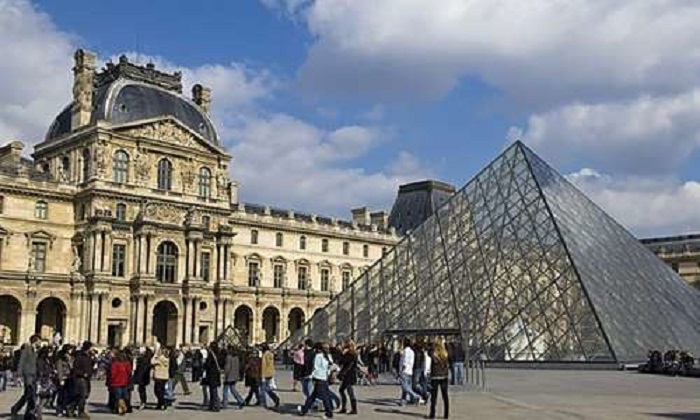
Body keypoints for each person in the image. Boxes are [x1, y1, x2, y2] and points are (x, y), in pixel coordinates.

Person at [297, 342, 334, 419]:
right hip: (324, 378)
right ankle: (304, 410)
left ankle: (329, 412)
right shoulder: (328, 357)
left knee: (324, 396)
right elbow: (330, 367)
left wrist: (311, 376)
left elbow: (316, 368)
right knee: (313, 396)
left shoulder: (318, 356)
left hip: (318, 378)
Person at [11, 334, 41, 418]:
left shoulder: (37, 350)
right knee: (31, 393)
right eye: (39, 341)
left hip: (34, 375)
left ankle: (16, 408)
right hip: (28, 375)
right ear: (35, 341)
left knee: (28, 394)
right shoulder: (27, 349)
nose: (40, 343)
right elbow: (21, 361)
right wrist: (19, 375)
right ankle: (30, 413)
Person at [427, 338, 449, 419]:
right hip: (444, 376)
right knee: (445, 396)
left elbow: (429, 351)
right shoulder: (445, 353)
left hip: (435, 376)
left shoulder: (433, 353)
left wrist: (433, 345)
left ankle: (432, 414)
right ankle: (446, 414)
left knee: (434, 396)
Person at [72, 341, 94, 419]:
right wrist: (82, 373)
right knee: (83, 396)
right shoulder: (80, 356)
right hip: (81, 379)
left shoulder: (89, 356)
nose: (92, 349)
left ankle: (71, 409)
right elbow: (75, 369)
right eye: (91, 347)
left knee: (83, 395)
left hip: (87, 379)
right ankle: (80, 412)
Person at [398, 338, 423, 406]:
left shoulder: (406, 351)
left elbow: (405, 362)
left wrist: (401, 371)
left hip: (405, 371)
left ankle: (415, 396)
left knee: (405, 387)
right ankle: (403, 400)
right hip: (410, 371)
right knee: (406, 387)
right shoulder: (412, 351)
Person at [338, 341, 358, 415]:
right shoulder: (354, 354)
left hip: (348, 375)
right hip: (350, 374)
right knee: (342, 390)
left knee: (349, 392)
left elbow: (341, 362)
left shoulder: (349, 354)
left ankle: (353, 409)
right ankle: (345, 408)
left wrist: (343, 354)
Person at [110, 350, 132, 415]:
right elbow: (129, 372)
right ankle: (122, 407)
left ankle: (121, 408)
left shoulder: (115, 364)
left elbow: (112, 373)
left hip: (116, 382)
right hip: (124, 382)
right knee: (124, 396)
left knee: (118, 397)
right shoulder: (127, 363)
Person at [260, 343, 280, 408]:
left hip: (265, 373)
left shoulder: (264, 355)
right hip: (270, 373)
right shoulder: (271, 354)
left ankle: (264, 403)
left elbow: (263, 365)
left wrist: (262, 375)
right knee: (267, 388)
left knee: (263, 389)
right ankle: (275, 398)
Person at [203, 342, 222, 412]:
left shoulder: (211, 355)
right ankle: (212, 405)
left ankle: (215, 405)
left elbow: (208, 364)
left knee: (213, 391)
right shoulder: (218, 354)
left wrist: (204, 364)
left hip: (212, 374)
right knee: (214, 390)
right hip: (216, 374)